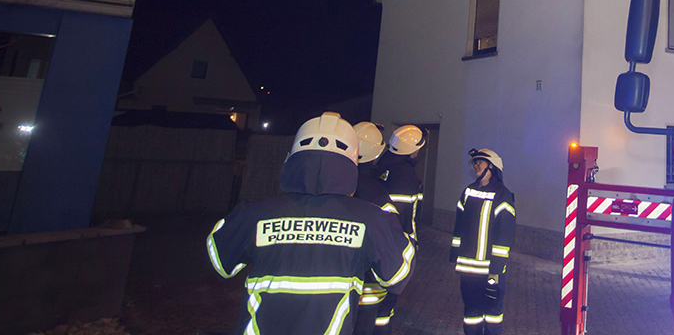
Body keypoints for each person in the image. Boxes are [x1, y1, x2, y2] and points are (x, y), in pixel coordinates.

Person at [206, 112, 415, 335]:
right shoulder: (372, 220)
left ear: (292, 159)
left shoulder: (253, 214)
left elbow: (220, 262)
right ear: (351, 165)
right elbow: (397, 275)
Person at [351, 121, 419, 335]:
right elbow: (400, 224)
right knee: (379, 319)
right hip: (373, 279)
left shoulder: (341, 181)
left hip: (343, 280)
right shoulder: (377, 189)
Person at [451, 147, 516, 335]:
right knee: (471, 314)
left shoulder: (503, 195)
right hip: (468, 269)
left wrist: (496, 271)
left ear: (492, 167)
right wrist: (455, 255)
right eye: (475, 163)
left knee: (492, 315)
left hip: (489, 271)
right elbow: (459, 226)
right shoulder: (468, 192)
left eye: (480, 162)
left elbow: (504, 236)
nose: (475, 166)